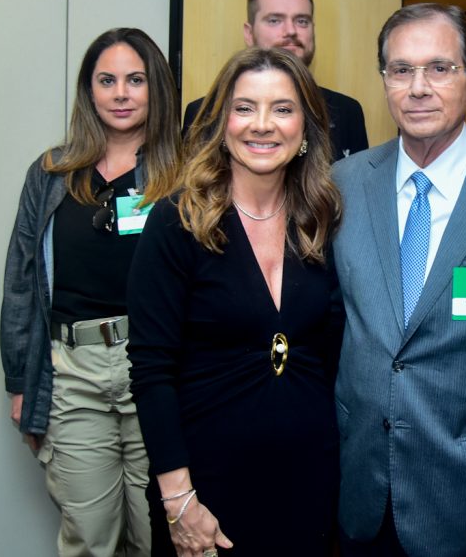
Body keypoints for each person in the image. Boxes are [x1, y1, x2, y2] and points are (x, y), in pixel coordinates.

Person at [332, 3, 466, 556]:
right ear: (384, 82)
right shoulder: (342, 186)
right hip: (362, 488)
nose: (418, 87)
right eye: (401, 70)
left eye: (439, 68)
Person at [127, 46, 343, 556]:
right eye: (244, 107)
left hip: (310, 484)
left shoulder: (324, 221)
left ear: (306, 128)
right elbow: (151, 370)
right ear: (221, 122)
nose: (262, 125)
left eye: (282, 109)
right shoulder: (177, 221)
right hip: (207, 491)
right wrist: (178, 500)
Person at [0, 27, 181, 556]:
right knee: (89, 538)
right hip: (71, 374)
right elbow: (21, 277)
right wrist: (20, 382)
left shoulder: (185, 173)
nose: (121, 93)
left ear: (156, 90)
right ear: (89, 90)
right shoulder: (53, 172)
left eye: (135, 80)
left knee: (162, 533)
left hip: (156, 368)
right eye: (107, 81)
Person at [183, 0, 369, 160]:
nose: (291, 30)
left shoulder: (346, 111)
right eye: (274, 20)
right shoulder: (204, 111)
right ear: (249, 33)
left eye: (302, 21)